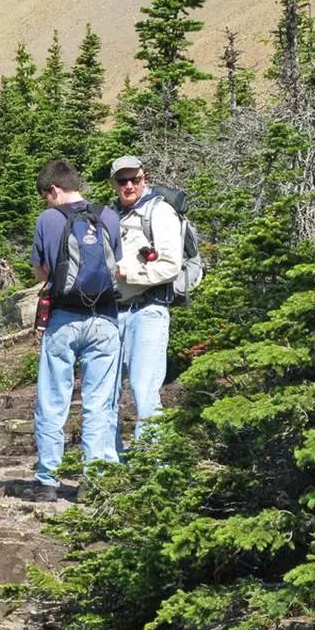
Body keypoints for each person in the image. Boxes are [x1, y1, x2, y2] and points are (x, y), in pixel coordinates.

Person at [25, 159, 123, 502]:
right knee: (100, 402)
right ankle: (94, 482)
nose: (46, 202)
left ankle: (47, 480)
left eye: (45, 196)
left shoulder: (48, 219)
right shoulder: (108, 215)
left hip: (64, 319)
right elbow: (118, 269)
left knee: (53, 399)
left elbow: (41, 273)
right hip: (106, 320)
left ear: (54, 189)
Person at [110, 155, 181, 448]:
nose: (129, 186)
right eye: (122, 181)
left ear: (144, 178)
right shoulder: (111, 216)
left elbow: (171, 266)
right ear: (113, 184)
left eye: (134, 179)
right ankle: (108, 463)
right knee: (106, 391)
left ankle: (153, 467)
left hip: (149, 310)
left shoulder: (160, 213)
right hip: (114, 312)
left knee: (144, 390)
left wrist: (131, 273)